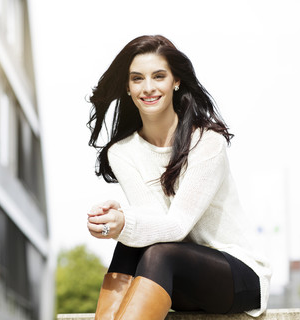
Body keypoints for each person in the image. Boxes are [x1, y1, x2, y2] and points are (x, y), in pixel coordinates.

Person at [86, 35, 271, 320]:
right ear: (127, 86)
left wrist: (125, 221)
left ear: (176, 81)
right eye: (137, 79)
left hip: (237, 275)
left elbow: (177, 226)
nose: (148, 88)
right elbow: (152, 220)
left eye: (158, 76)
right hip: (175, 275)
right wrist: (124, 219)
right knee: (133, 245)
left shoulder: (206, 142)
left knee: (158, 252)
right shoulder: (122, 152)